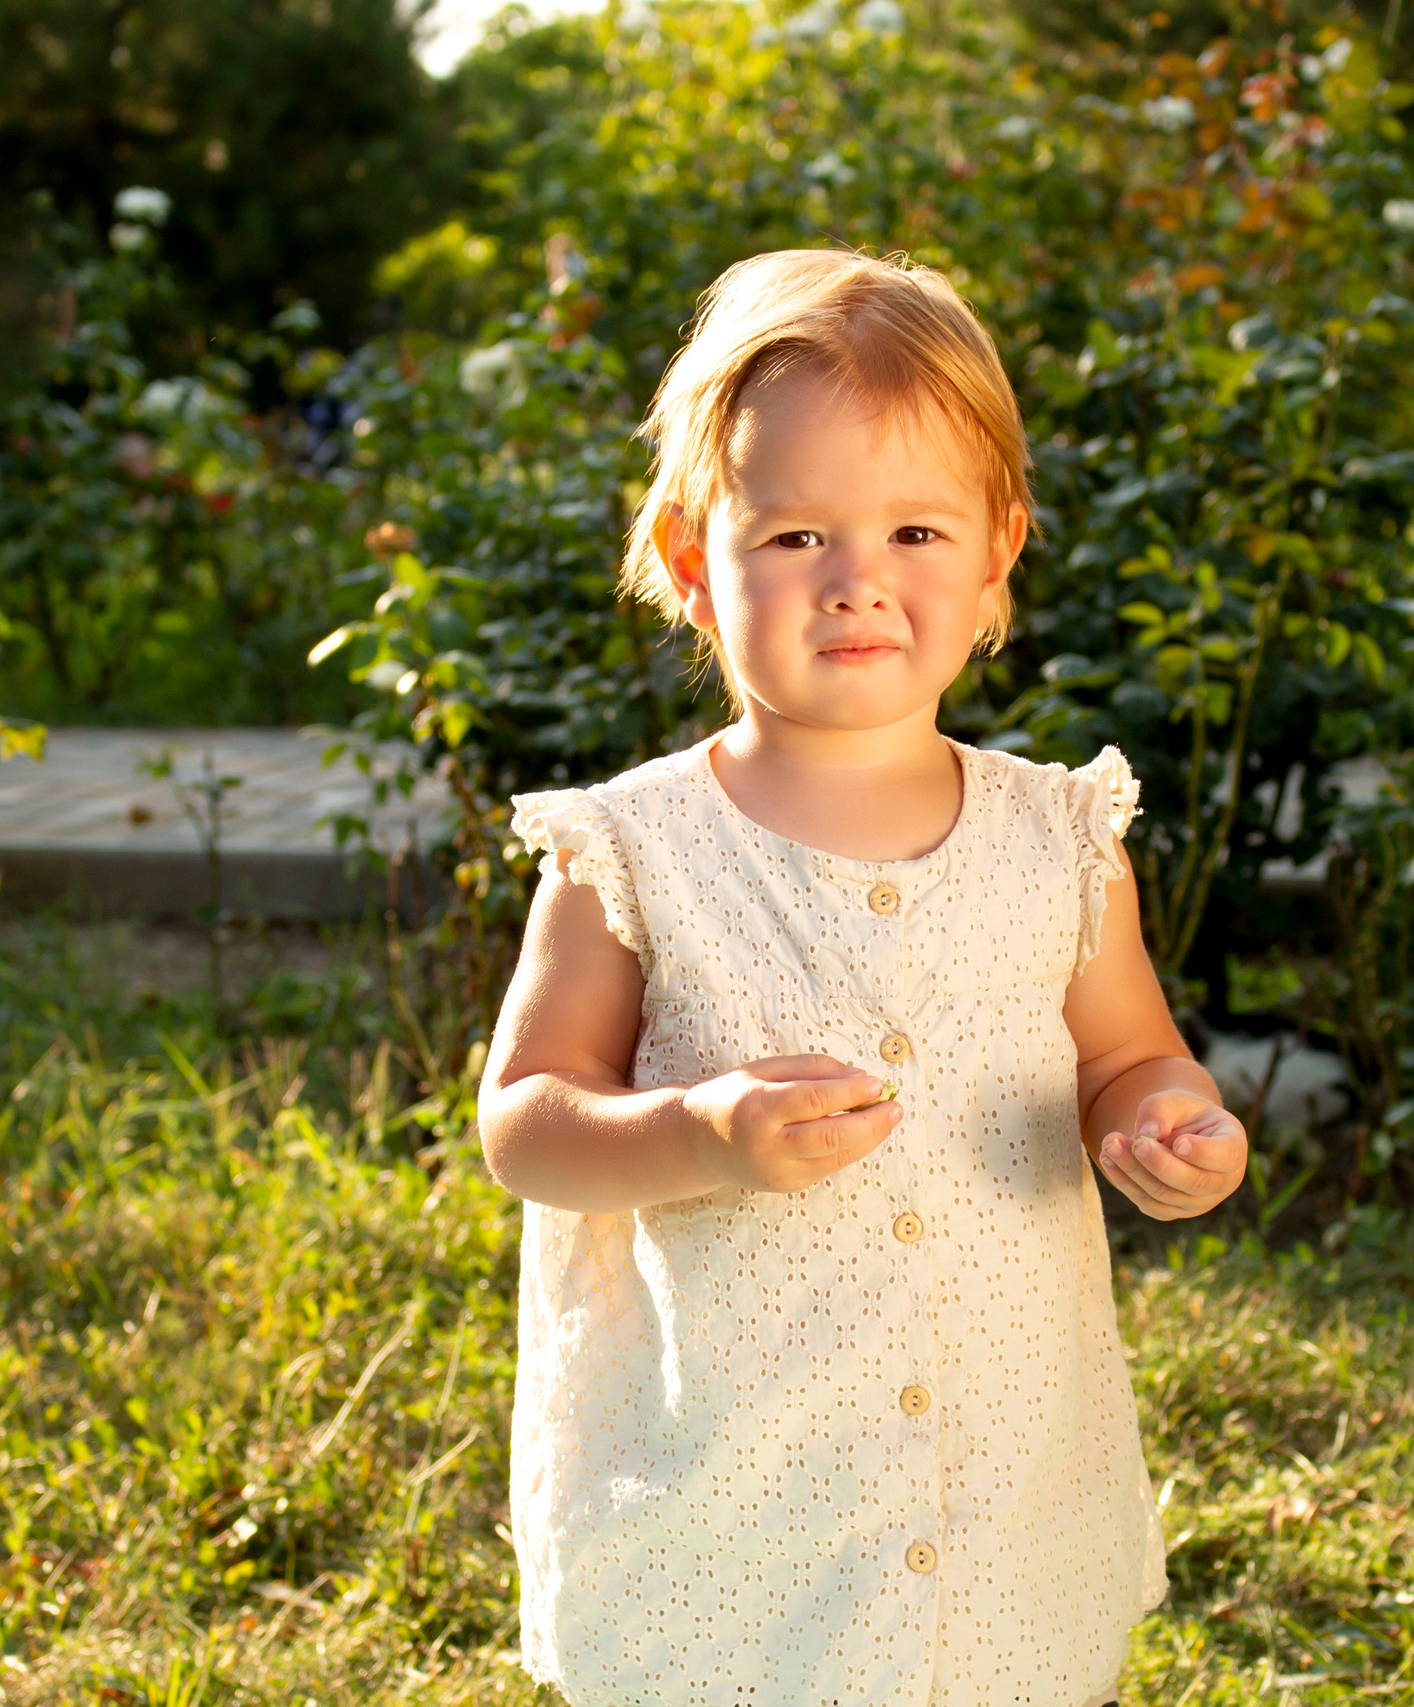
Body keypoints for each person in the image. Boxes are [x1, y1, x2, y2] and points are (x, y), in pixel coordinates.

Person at [478, 247, 1249, 1707]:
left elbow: (1126, 1059)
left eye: (912, 532)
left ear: (996, 550)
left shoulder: (1058, 839)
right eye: (794, 539)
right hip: (735, 1481)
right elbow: (526, 1119)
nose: (858, 583)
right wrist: (696, 1132)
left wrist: (1167, 1125)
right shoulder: (631, 854)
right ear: (695, 555)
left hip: (993, 1465)